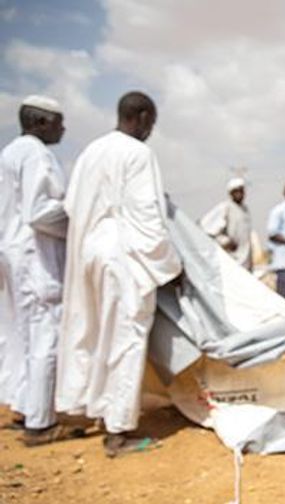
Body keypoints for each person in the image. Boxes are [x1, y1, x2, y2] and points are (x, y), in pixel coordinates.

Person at [56, 91, 182, 457]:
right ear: (141, 117)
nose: (150, 132)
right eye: (151, 124)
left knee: (93, 332)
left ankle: (86, 409)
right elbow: (146, 216)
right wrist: (169, 265)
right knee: (126, 338)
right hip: (122, 257)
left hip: (90, 254)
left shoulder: (91, 152)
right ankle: (119, 431)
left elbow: (70, 204)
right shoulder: (137, 154)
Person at [0, 95, 76, 445]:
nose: (63, 129)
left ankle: (23, 407)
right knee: (45, 334)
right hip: (34, 257)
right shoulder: (36, 154)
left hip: (12, 255)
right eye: (59, 122)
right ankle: (40, 424)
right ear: (42, 122)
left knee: (21, 336)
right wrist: (77, 219)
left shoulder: (10, 153)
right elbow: (39, 211)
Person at [200, 177, 253, 270]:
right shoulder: (225, 207)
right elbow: (206, 228)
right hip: (232, 260)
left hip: (246, 260)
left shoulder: (245, 209)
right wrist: (225, 241)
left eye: (241, 191)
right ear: (231, 193)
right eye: (236, 191)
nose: (240, 194)